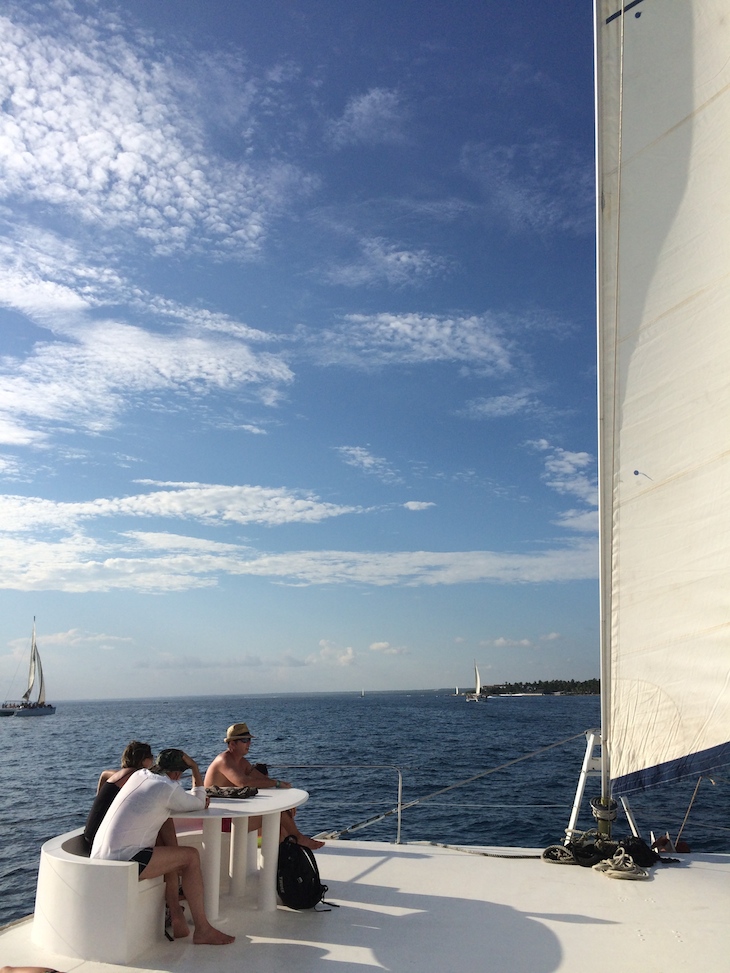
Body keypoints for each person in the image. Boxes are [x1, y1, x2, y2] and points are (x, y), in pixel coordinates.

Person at [91, 748, 234, 946]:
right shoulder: (167, 788)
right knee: (190, 857)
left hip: (100, 856)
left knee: (168, 838)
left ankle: (177, 914)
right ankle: (203, 929)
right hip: (123, 860)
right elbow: (200, 802)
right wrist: (194, 768)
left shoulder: (140, 775)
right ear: (176, 774)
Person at [204, 722, 324, 850]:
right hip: (218, 820)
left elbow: (262, 780)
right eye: (244, 740)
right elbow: (244, 782)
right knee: (278, 813)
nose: (249, 743)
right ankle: (298, 838)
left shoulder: (241, 762)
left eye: (249, 740)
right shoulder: (224, 760)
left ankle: (286, 860)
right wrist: (276, 784)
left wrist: (284, 795)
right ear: (232, 744)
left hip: (233, 815)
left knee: (283, 820)